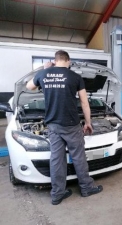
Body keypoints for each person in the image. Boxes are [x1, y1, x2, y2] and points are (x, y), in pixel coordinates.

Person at [26, 50, 103, 205]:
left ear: (55, 60)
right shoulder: (75, 77)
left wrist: (44, 68)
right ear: (68, 60)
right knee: (79, 157)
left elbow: (29, 87)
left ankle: (57, 194)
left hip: (53, 125)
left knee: (56, 159)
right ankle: (86, 188)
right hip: (71, 125)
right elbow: (84, 102)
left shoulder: (44, 74)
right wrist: (88, 123)